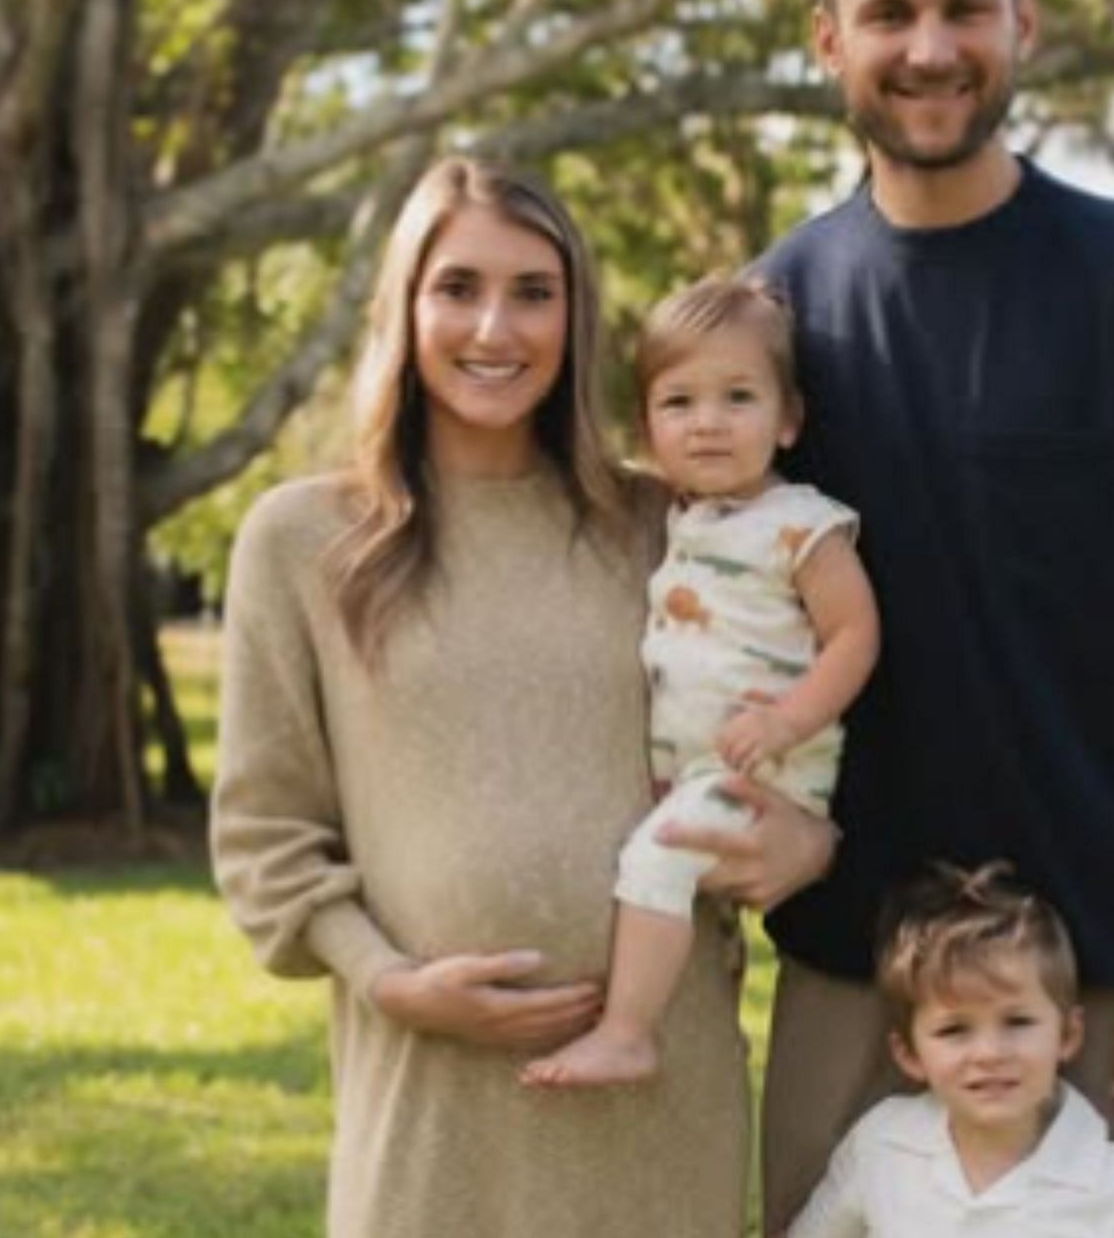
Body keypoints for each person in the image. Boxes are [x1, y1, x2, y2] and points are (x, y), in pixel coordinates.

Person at [692, 0, 1114, 1238]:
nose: (930, 46)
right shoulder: (773, 323)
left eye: (967, 7)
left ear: (1023, 20)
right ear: (827, 39)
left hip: (1096, 986)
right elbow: (712, 617)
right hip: (852, 986)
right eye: (888, 12)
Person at [209, 158, 748, 1237]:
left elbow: (771, 747)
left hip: (661, 1091)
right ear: (404, 307)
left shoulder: (665, 528)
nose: (495, 327)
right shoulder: (306, 540)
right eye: (457, 287)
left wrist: (789, 847)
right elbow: (265, 833)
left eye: (534, 293)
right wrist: (388, 982)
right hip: (430, 1101)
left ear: (576, 318)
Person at [524, 275, 880, 1089]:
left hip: (768, 768)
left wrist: (790, 722)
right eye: (678, 402)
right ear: (647, 426)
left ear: (788, 419)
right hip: (699, 767)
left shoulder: (803, 522)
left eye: (738, 397)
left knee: (658, 859)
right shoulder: (678, 518)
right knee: (660, 862)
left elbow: (856, 636)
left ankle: (627, 1031)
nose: (708, 422)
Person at [784, 863, 1114, 1238]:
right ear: (909, 1055)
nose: (989, 1053)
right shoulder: (881, 1145)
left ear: (1067, 1034)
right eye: (954, 1030)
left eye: (1017, 1023)